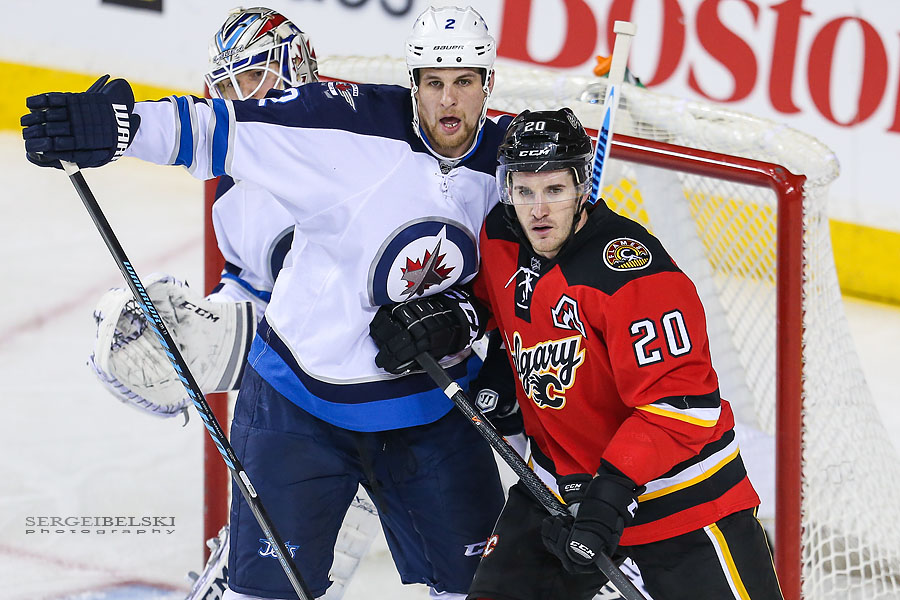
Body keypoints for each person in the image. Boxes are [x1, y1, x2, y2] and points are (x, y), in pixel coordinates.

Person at [23, 5, 511, 599]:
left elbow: (534, 274)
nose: (449, 100)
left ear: (488, 84)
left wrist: (463, 316)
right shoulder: (326, 132)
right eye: (434, 82)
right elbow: (207, 130)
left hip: (429, 406)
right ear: (414, 83)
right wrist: (119, 128)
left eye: (464, 81)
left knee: (485, 589)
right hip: (299, 405)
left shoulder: (512, 166)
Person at [368, 108, 784, 600]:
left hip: (682, 501)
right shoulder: (502, 237)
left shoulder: (634, 275)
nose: (538, 209)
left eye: (554, 190)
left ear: (582, 187)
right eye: (524, 191)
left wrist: (609, 498)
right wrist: (450, 321)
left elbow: (682, 407)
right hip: (558, 489)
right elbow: (497, 305)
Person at [86, 7, 381, 600]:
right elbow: (251, 282)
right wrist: (201, 333)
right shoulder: (241, 175)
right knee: (271, 572)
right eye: (229, 85)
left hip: (395, 387)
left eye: (251, 80)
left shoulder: (361, 147)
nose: (238, 98)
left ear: (294, 68)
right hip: (311, 397)